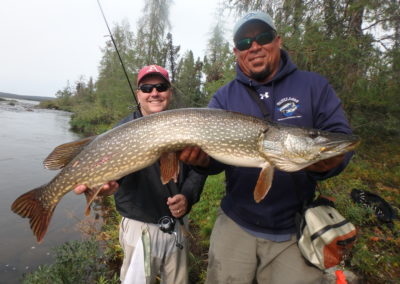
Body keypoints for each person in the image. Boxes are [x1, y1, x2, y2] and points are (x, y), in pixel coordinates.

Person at [179, 11, 354, 283]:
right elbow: (215, 161)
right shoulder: (224, 96)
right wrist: (199, 161)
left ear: (278, 40)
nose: (255, 46)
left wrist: (333, 161)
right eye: (245, 43)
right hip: (236, 221)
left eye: (263, 37)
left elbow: (341, 139)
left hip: (293, 229)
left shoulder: (313, 86)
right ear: (236, 51)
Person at [74, 65, 207, 284]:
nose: (154, 92)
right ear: (138, 94)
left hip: (178, 226)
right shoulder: (122, 131)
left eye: (160, 87)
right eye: (146, 88)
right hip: (140, 228)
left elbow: (200, 170)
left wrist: (188, 196)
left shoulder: (187, 125)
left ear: (169, 92)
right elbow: (110, 180)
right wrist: (101, 190)